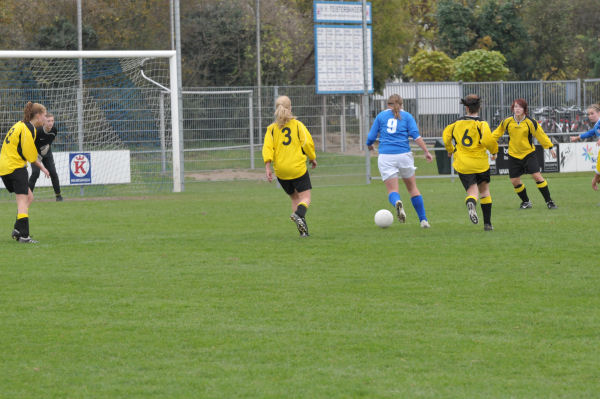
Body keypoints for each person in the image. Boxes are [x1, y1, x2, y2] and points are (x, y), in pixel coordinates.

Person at [367, 94, 433, 228]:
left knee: (392, 190)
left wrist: (370, 145)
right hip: (404, 155)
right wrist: (426, 151)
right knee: (413, 188)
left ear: (387, 104)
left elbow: (371, 137)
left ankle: (397, 202)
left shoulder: (381, 116)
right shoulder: (407, 116)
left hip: (386, 156)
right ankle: (423, 220)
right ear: (402, 105)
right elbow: (416, 136)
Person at [262, 95, 317, 237]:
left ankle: (303, 232)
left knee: (294, 198)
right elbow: (307, 143)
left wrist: (268, 167)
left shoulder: (272, 129)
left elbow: (267, 148)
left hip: (281, 172)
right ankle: (299, 214)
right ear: (290, 108)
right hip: (297, 169)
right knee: (306, 198)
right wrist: (312, 158)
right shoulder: (298, 125)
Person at [443, 94, 498, 231]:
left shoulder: (456, 124)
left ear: (466, 108)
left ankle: (471, 202)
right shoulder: (482, 124)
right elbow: (487, 140)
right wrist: (494, 151)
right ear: (479, 107)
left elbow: (446, 136)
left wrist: (450, 149)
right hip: (480, 163)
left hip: (463, 164)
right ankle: (487, 224)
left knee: (472, 192)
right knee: (484, 191)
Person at [491, 98, 558, 209]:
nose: (517, 109)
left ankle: (549, 201)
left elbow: (541, 135)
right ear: (513, 108)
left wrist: (550, 147)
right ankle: (526, 202)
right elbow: (495, 135)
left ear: (524, 109)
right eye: (515, 107)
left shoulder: (530, 122)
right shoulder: (507, 121)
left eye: (520, 107)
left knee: (537, 176)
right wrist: (486, 143)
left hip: (528, 154)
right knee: (514, 180)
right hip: (513, 155)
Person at [0, 102, 50, 243]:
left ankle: (17, 229)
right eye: (45, 116)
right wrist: (42, 165)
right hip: (15, 167)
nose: (46, 119)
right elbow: (29, 154)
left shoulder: (19, 125)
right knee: (22, 200)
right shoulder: (28, 129)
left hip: (5, 167)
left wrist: (41, 167)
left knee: (29, 197)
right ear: (38, 116)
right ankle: (24, 236)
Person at [28, 112, 63, 201]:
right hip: (35, 154)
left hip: (47, 153)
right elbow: (30, 144)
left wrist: (47, 147)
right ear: (44, 122)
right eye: (48, 121)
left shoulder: (54, 130)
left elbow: (48, 142)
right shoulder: (37, 131)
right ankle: (27, 196)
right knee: (36, 173)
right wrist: (37, 155)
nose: (51, 123)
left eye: (52, 120)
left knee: (53, 173)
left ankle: (58, 196)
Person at [569, 104, 600, 190]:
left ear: (599, 113)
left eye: (592, 113)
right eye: (588, 114)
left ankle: (594, 181)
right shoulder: (596, 125)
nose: (590, 116)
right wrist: (577, 137)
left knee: (598, 174)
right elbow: (589, 133)